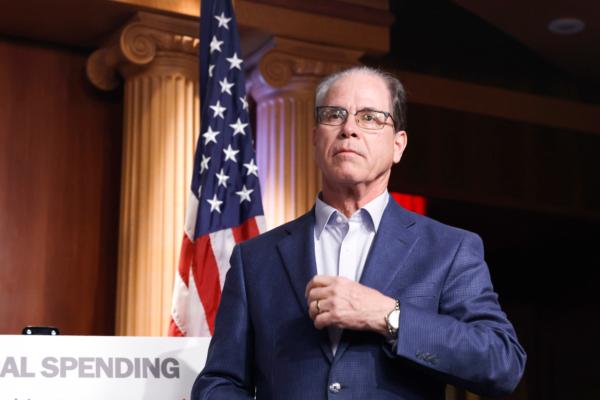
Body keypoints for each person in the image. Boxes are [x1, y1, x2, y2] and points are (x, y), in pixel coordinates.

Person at [192, 66, 526, 399]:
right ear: (314, 138)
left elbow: (502, 362)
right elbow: (219, 383)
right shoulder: (255, 259)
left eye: (370, 118)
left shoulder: (449, 249)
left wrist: (387, 315)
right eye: (334, 115)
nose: (348, 128)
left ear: (398, 145)